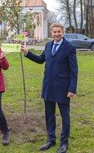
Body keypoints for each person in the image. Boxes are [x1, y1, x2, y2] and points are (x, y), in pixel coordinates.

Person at [21, 22, 78, 153]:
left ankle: (64, 142)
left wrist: (72, 89)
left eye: (59, 31)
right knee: (49, 116)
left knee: (65, 118)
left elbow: (74, 71)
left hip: (63, 89)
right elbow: (41, 59)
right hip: (48, 87)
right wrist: (27, 52)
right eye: (54, 32)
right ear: (51, 33)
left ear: (62, 32)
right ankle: (51, 139)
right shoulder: (48, 45)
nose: (57, 34)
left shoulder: (69, 47)